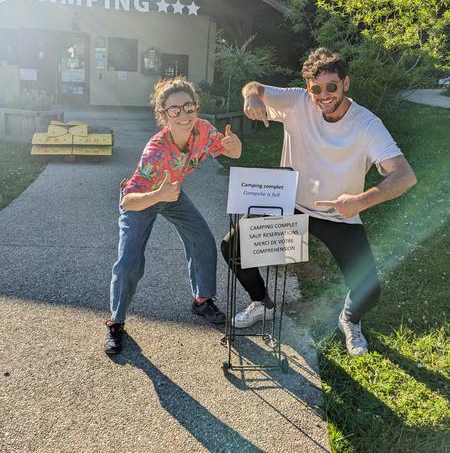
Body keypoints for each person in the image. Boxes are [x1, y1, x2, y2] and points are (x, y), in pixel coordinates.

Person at [221, 47, 416, 356]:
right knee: (232, 248)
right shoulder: (297, 101)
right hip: (290, 204)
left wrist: (361, 201)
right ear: (308, 87)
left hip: (337, 212)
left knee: (369, 290)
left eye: (331, 87)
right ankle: (262, 303)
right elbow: (253, 86)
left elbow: (404, 175)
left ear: (345, 83)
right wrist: (252, 97)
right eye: (316, 89)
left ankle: (349, 319)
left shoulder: (367, 124)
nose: (324, 95)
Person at [105, 76, 242, 355]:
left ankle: (201, 300)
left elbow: (234, 153)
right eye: (174, 109)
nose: (183, 114)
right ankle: (116, 322)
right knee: (129, 262)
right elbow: (128, 201)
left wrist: (235, 145)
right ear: (164, 114)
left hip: (172, 193)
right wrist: (158, 195)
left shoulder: (203, 130)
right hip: (145, 198)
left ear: (196, 107)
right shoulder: (155, 151)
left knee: (202, 239)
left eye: (188, 107)